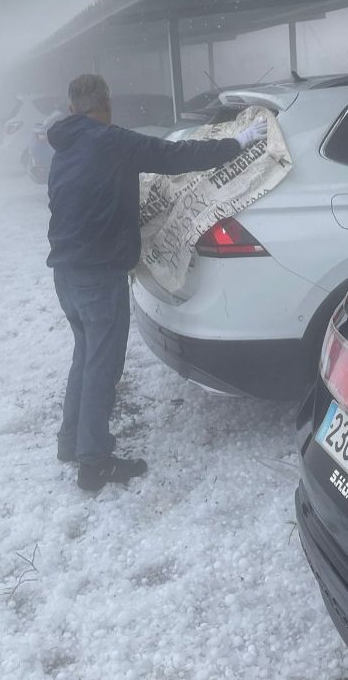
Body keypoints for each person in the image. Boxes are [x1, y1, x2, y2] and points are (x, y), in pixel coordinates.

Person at [48, 74, 267, 491]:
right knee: (102, 367)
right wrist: (237, 144)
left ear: (72, 107)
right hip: (99, 276)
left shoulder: (65, 145)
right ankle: (93, 463)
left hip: (66, 274)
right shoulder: (110, 142)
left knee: (85, 358)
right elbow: (173, 156)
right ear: (106, 103)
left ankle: (70, 441)